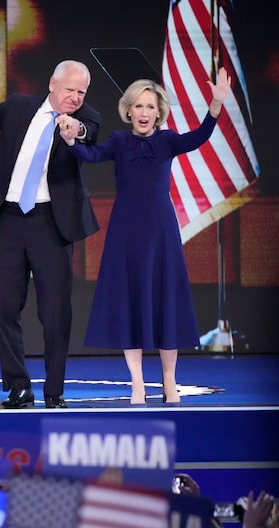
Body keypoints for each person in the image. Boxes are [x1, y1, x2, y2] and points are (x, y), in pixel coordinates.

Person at [59, 68, 231, 405]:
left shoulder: (167, 141)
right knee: (129, 303)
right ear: (129, 110)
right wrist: (70, 141)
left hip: (161, 232)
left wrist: (216, 104)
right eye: (138, 106)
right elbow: (91, 155)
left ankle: (169, 382)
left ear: (159, 112)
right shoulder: (120, 142)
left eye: (150, 107)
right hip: (126, 232)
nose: (143, 112)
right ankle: (137, 384)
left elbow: (198, 137)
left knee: (165, 300)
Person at [0, 60, 101, 409]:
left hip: (51, 223)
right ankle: (19, 387)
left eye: (81, 92)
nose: (75, 97)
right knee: (2, 306)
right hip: (9, 220)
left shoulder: (86, 116)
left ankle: (54, 392)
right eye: (70, 90)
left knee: (55, 311)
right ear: (51, 84)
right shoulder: (18, 106)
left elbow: (88, 131)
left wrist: (75, 131)